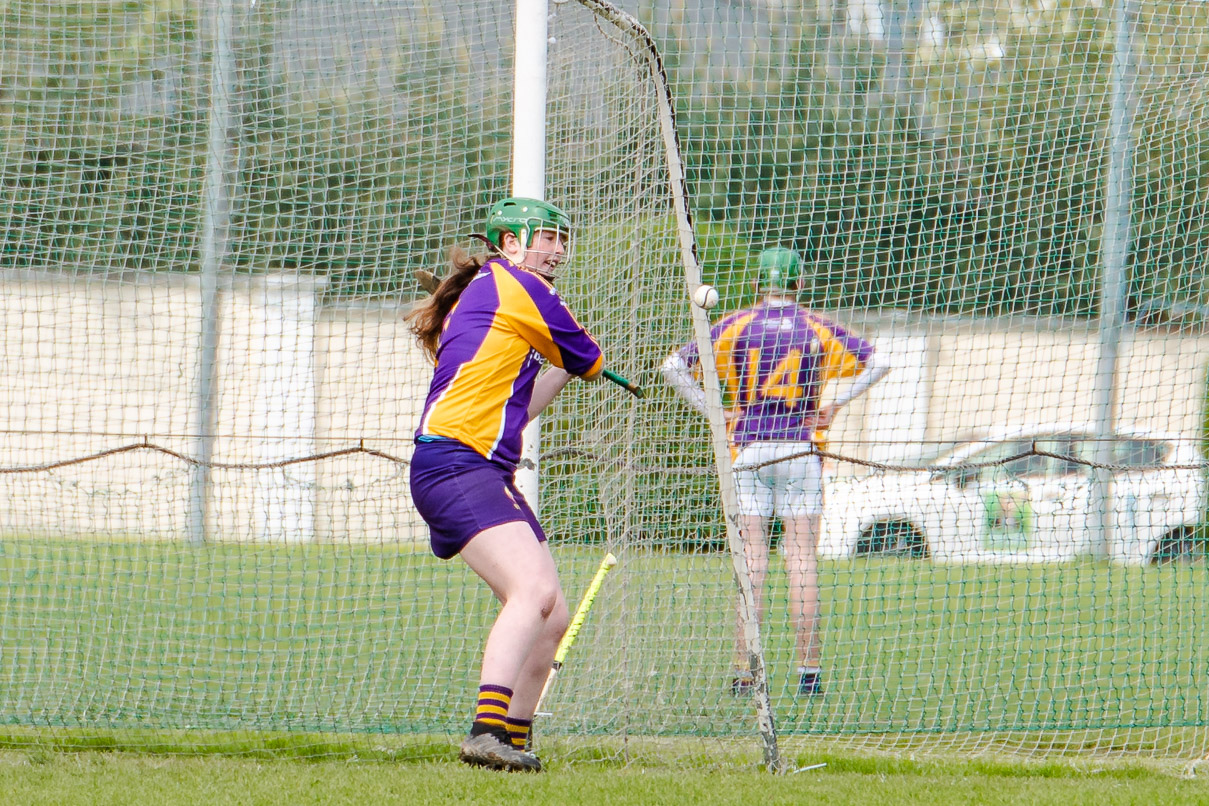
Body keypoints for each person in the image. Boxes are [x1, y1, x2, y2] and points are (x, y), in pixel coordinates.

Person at [408, 197, 603, 772]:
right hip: (454, 463)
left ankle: (512, 740)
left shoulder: (494, 296)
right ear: (512, 244)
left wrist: (563, 365)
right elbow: (590, 358)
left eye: (563, 239)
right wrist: (578, 357)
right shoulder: (519, 287)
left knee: (554, 614)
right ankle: (484, 731)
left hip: (479, 468)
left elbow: (525, 406)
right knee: (533, 592)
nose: (559, 251)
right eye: (547, 238)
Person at [661, 247, 889, 697]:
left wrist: (715, 412)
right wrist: (835, 406)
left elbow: (672, 366)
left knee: (753, 562)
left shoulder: (738, 325)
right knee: (801, 559)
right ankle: (809, 673)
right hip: (801, 451)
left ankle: (745, 673)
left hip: (749, 452)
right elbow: (881, 361)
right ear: (799, 284)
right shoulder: (816, 328)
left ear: (756, 284)